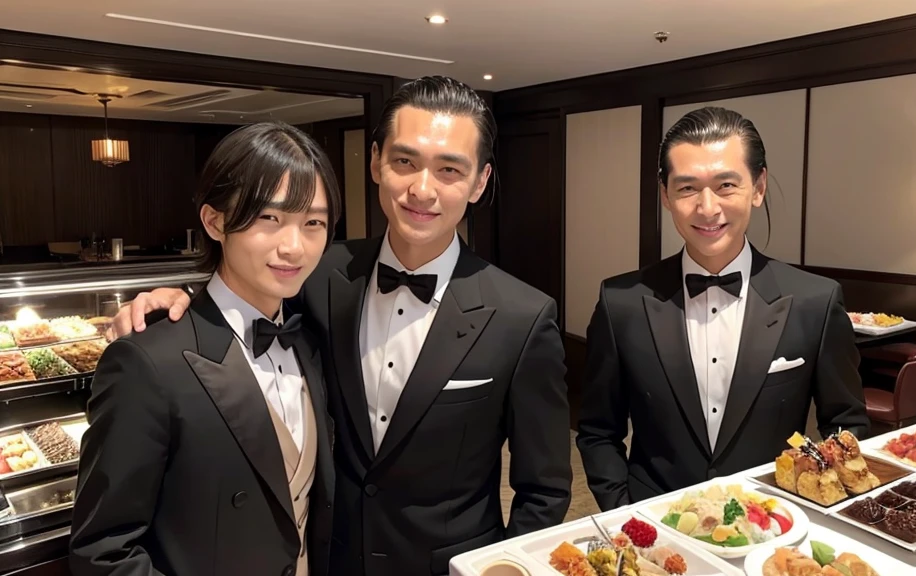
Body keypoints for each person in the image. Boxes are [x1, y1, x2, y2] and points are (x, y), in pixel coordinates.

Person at [106, 76, 572, 575]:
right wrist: (180, 303)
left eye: (450, 170)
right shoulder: (319, 272)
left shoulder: (524, 315)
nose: (422, 189)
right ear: (376, 163)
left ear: (479, 182)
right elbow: (244, 297)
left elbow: (543, 491)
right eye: (405, 161)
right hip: (331, 558)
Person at [69, 122, 342, 575]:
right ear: (215, 221)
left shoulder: (311, 339)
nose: (293, 246)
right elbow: (104, 550)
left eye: (313, 222)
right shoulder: (147, 362)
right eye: (268, 218)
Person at [575, 106, 869, 511]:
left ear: (758, 187)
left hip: (774, 525)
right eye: (687, 188)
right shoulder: (620, 302)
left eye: (726, 185)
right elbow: (597, 429)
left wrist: (815, 507)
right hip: (656, 527)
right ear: (665, 195)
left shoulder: (814, 301)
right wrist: (625, 509)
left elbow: (845, 427)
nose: (708, 207)